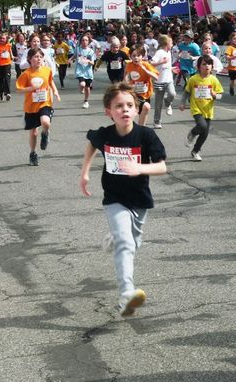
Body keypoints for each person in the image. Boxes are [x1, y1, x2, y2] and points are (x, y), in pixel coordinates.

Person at [79, 82, 167, 317]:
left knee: (132, 244)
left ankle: (113, 238)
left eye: (130, 105)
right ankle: (127, 293)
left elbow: (162, 167)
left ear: (137, 110)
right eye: (119, 106)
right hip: (114, 198)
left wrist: (139, 168)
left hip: (139, 199)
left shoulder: (146, 135)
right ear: (109, 111)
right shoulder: (106, 134)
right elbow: (92, 144)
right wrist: (85, 172)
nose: (125, 110)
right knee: (126, 244)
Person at [15, 48, 61, 166]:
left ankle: (45, 133)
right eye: (36, 57)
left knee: (45, 122)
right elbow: (18, 89)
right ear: (30, 59)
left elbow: (51, 82)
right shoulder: (26, 74)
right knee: (33, 133)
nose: (38, 59)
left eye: (40, 56)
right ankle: (33, 153)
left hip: (45, 103)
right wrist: (30, 89)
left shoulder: (47, 71)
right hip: (31, 106)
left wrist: (55, 92)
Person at [180, 55, 223, 162]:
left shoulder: (214, 80)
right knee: (202, 125)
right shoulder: (193, 79)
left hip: (208, 110)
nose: (207, 66)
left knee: (204, 133)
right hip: (196, 108)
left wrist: (215, 96)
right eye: (204, 64)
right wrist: (182, 102)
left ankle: (195, 151)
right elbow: (186, 92)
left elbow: (220, 95)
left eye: (209, 64)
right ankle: (193, 133)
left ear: (212, 67)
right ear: (199, 67)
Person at [124, 44, 159, 127]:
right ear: (130, 57)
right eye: (134, 56)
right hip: (133, 93)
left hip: (145, 94)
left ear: (142, 56)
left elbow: (156, 77)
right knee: (142, 108)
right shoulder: (129, 65)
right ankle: (134, 128)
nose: (136, 58)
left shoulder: (146, 65)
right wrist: (125, 85)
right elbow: (126, 76)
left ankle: (141, 128)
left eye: (138, 55)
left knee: (144, 110)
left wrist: (145, 70)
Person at [151, 34, 177, 129]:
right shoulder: (159, 52)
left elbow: (166, 66)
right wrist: (161, 62)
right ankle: (157, 121)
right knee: (158, 103)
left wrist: (171, 69)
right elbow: (151, 63)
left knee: (172, 94)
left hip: (169, 80)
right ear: (166, 43)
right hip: (159, 81)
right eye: (171, 42)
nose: (172, 44)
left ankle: (168, 102)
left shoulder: (168, 52)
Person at [74, 34, 96, 109]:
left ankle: (86, 101)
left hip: (88, 72)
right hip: (80, 71)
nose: (84, 41)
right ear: (80, 41)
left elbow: (93, 63)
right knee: (83, 84)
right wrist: (70, 59)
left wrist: (88, 61)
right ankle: (81, 87)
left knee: (87, 87)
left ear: (89, 42)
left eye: (86, 40)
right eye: (83, 40)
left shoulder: (91, 51)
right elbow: (75, 55)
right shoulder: (78, 49)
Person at [0, 34, 13, 102]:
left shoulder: (8, 45)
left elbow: (10, 52)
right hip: (0, 65)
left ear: (6, 39)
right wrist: (1, 52)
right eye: (1, 38)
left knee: (7, 78)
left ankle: (7, 93)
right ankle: (1, 93)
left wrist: (12, 56)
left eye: (3, 38)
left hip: (7, 64)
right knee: (1, 80)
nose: (2, 40)